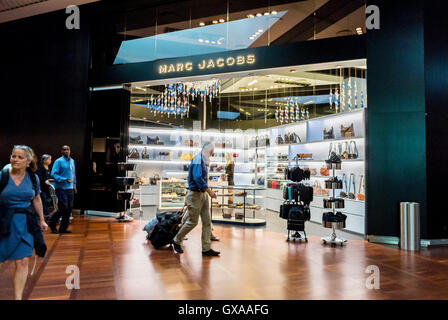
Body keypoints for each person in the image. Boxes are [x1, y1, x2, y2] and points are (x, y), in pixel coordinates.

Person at [0, 145, 48, 300]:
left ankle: (18, 298)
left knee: (23, 261)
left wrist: (42, 220)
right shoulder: (3, 175)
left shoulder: (33, 178)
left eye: (20, 157)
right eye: (13, 156)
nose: (15, 159)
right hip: (4, 222)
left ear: (28, 161)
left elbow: (36, 198)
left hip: (25, 222)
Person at [172, 142, 220, 256]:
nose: (212, 155)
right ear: (209, 150)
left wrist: (206, 192)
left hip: (202, 194)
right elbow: (198, 177)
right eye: (212, 152)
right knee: (193, 222)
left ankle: (206, 248)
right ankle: (176, 240)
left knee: (207, 221)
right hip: (195, 195)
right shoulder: (198, 159)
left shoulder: (202, 160)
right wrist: (209, 191)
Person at [49, 145, 76, 234]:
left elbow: (73, 174)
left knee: (69, 208)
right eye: (64, 150)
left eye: (67, 149)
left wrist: (74, 185)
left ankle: (63, 228)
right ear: (61, 151)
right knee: (63, 207)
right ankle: (52, 224)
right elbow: (54, 174)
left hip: (70, 188)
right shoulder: (58, 161)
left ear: (70, 151)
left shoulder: (72, 161)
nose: (66, 151)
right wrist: (63, 179)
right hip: (61, 188)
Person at [36, 154, 52, 220]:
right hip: (42, 188)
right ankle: (44, 216)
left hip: (48, 188)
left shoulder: (48, 168)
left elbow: (49, 177)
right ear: (45, 160)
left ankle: (47, 214)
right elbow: (39, 176)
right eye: (49, 159)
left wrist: (51, 179)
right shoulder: (40, 167)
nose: (50, 161)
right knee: (43, 201)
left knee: (48, 202)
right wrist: (45, 180)